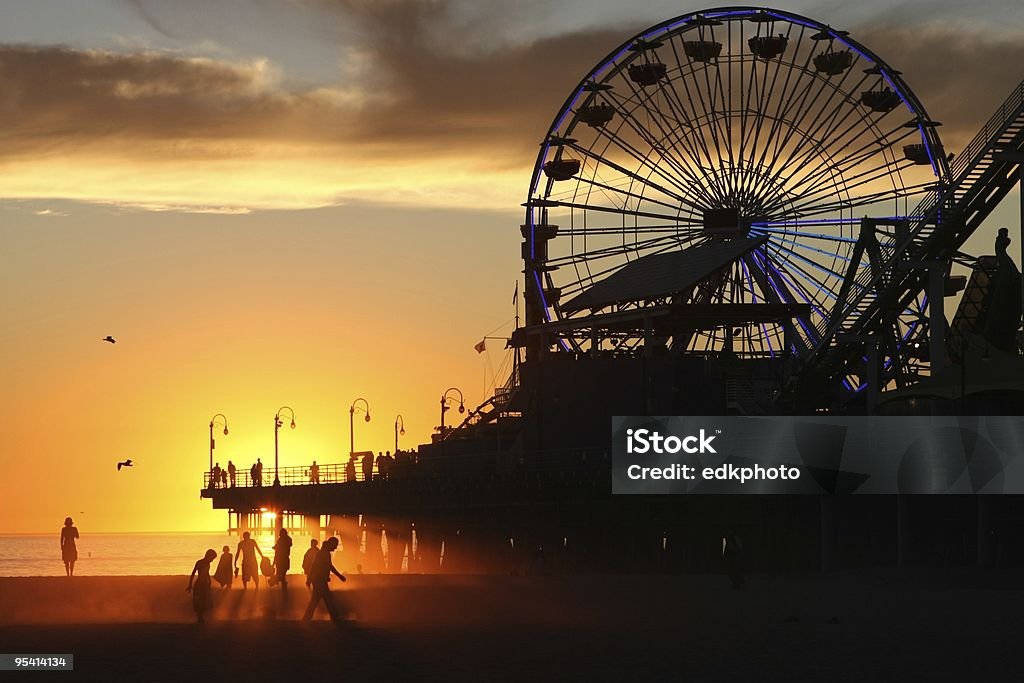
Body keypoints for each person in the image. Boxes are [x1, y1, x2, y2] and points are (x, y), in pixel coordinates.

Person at [302, 536, 347, 622]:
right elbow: (317, 566)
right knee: (327, 599)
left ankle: (307, 618)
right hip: (319, 581)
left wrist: (310, 579)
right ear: (331, 544)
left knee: (317, 600)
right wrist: (339, 576)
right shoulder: (323, 553)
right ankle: (335, 617)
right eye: (335, 545)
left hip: (319, 580)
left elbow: (326, 566)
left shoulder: (323, 552)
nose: (336, 547)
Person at [186, 549, 217, 623]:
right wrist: (190, 584)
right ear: (209, 556)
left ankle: (201, 617)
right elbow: (193, 572)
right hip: (199, 583)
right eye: (212, 558)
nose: (212, 560)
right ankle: (200, 617)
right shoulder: (199, 562)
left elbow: (207, 573)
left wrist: (209, 581)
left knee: (205, 600)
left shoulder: (208, 563)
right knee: (199, 600)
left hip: (205, 583)